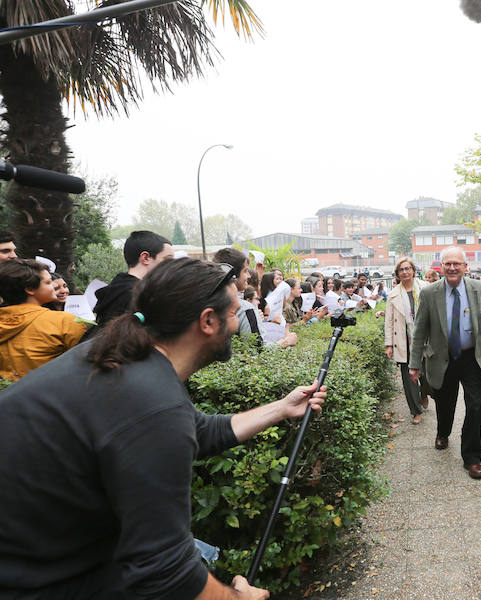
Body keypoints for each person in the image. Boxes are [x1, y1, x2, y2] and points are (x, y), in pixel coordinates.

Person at [0, 258, 327, 598]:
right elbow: (166, 570)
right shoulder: (149, 399)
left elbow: (199, 431)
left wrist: (282, 408)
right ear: (208, 321)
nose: (237, 323)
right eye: (233, 313)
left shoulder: (121, 359)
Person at [408, 246, 481, 479]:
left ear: (465, 267)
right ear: (441, 267)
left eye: (457, 263)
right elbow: (419, 332)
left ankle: (472, 457)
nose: (453, 267)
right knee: (445, 404)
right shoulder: (429, 293)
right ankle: (443, 432)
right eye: (448, 264)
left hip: (471, 358)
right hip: (442, 358)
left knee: (475, 406)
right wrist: (414, 364)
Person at [0, 259, 89, 380]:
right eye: (48, 283)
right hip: (50, 394)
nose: (53, 287)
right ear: (30, 289)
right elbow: (88, 364)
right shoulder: (64, 322)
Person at [92, 230, 174, 329]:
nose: (172, 265)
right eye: (167, 259)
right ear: (145, 258)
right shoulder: (139, 295)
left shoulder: (113, 290)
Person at [385, 257, 427, 424]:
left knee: (425, 375)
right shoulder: (393, 294)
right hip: (403, 339)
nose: (405, 272)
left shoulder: (425, 288)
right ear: (397, 274)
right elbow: (388, 320)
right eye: (401, 270)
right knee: (408, 377)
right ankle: (416, 410)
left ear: (413, 270)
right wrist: (388, 344)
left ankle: (423, 394)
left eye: (407, 268)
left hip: (425, 337)